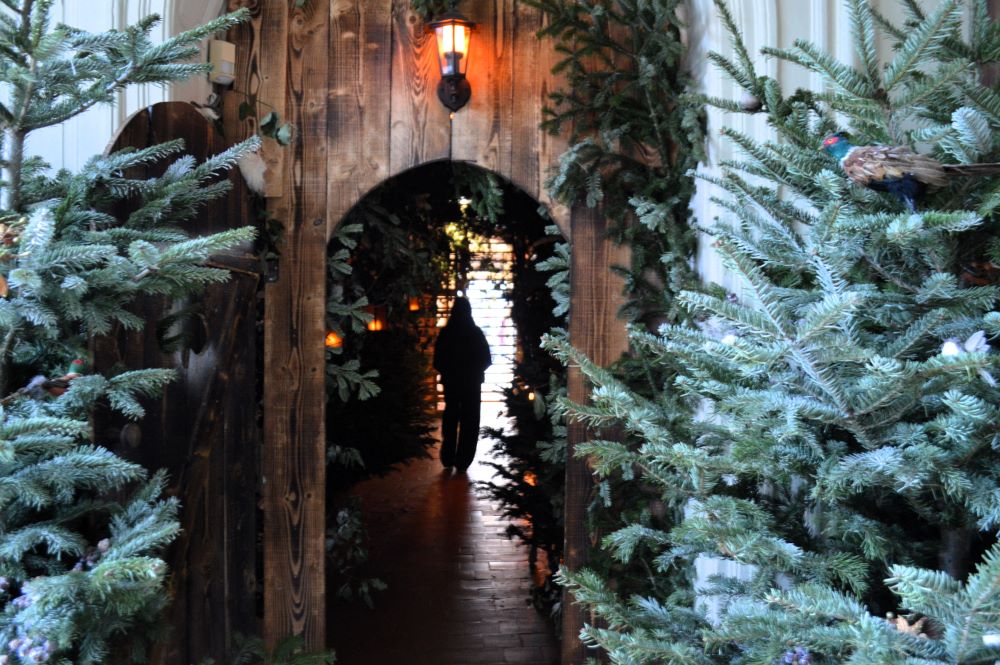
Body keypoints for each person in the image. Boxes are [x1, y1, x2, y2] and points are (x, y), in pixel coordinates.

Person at [433, 297, 491, 470]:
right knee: (470, 420)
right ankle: (464, 460)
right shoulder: (476, 333)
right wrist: (473, 371)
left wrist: (449, 370)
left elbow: (437, 361)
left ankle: (448, 456)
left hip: (451, 382)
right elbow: (486, 359)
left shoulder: (446, 333)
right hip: (472, 383)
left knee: (450, 416)